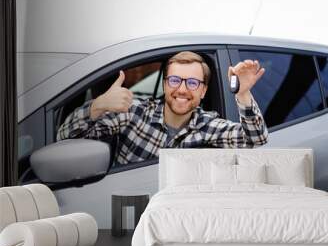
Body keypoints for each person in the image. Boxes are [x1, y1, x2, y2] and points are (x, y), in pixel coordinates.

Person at [57, 51, 268, 164]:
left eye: (193, 83)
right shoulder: (133, 113)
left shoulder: (209, 125)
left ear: (203, 91)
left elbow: (255, 139)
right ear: (165, 84)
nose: (183, 89)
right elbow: (65, 138)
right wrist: (98, 105)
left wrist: (242, 93)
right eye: (175, 80)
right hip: (126, 212)